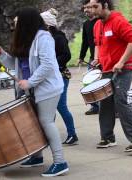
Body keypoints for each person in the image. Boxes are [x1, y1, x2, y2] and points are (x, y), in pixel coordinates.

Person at [0, 7, 68, 177]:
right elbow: (15, 65)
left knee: (46, 122)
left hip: (48, 88)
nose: (15, 24)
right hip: (31, 89)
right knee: (33, 123)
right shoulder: (25, 39)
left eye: (18, 21)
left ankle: (60, 162)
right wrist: (2, 55)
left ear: (27, 22)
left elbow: (48, 65)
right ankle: (36, 157)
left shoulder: (44, 38)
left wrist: (30, 82)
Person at [89, 0, 132, 151]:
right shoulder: (97, 25)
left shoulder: (119, 21)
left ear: (105, 5)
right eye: (90, 7)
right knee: (104, 102)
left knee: (121, 101)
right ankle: (107, 138)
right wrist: (97, 58)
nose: (93, 10)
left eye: (96, 6)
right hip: (106, 69)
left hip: (124, 69)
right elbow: (98, 44)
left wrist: (121, 62)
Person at [40, 8, 78, 145]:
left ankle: (72, 134)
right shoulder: (46, 38)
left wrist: (52, 64)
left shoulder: (58, 37)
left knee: (61, 106)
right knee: (50, 107)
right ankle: (50, 134)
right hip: (51, 76)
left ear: (48, 25)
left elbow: (66, 55)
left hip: (61, 76)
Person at [79, 0, 100, 115]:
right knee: (88, 83)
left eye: (88, 7)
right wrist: (81, 57)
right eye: (85, 8)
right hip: (93, 58)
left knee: (105, 83)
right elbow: (85, 42)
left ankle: (114, 108)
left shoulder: (100, 21)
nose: (86, 10)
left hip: (104, 59)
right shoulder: (86, 24)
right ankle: (95, 106)